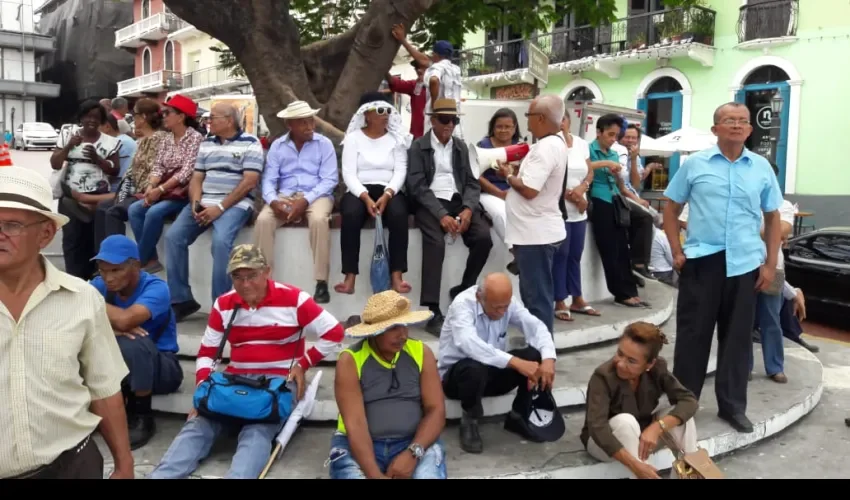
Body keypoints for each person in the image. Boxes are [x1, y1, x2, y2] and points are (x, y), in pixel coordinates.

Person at [149, 244, 345, 479]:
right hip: (236, 380)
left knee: (258, 429)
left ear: (267, 271)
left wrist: (303, 364)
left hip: (276, 382)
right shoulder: (224, 303)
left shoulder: (294, 299)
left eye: (252, 275)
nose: (245, 284)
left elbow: (334, 332)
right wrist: (202, 389)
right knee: (199, 423)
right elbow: (208, 351)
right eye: (237, 277)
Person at [0, 167, 134, 479]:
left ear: (46, 234)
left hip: (71, 466)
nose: (0, 234)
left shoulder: (82, 299)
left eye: (12, 225)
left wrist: (124, 463)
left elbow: (104, 388)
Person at [662, 102, 783, 433]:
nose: (737, 125)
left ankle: (732, 407)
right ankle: (683, 406)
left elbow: (773, 217)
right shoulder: (694, 165)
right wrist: (676, 249)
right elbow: (671, 210)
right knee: (692, 337)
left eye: (743, 121)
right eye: (729, 120)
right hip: (702, 261)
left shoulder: (761, 168)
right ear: (715, 129)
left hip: (744, 264)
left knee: (738, 339)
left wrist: (770, 264)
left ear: (749, 130)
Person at [330, 290, 447, 479]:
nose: (402, 334)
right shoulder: (350, 360)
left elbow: (436, 411)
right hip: (359, 444)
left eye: (404, 325)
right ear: (374, 332)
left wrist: (412, 453)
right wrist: (375, 475)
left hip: (414, 442)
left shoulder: (420, 352)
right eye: (393, 328)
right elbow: (356, 424)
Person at [165, 103, 265, 322]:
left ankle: (222, 304)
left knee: (220, 243)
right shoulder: (207, 143)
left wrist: (219, 208)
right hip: (205, 201)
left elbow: (250, 182)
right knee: (174, 238)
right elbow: (197, 178)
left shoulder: (251, 143)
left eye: (212, 118)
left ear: (229, 120)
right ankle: (181, 299)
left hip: (235, 204)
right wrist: (196, 202)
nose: (208, 122)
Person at [438, 273, 556, 453]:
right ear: (479, 297)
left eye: (505, 307)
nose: (502, 312)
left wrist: (548, 359)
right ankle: (469, 420)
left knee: (534, 354)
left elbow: (535, 327)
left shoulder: (507, 303)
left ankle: (519, 416)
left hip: (491, 374)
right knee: (473, 367)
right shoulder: (462, 305)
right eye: (496, 308)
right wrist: (515, 362)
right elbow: (469, 344)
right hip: (459, 381)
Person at [406, 98, 493, 335]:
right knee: (435, 243)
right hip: (430, 201)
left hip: (458, 200)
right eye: (444, 120)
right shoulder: (418, 146)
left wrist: (467, 209)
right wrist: (441, 214)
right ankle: (432, 309)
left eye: (453, 120)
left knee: (484, 237)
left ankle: (465, 287)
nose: (449, 125)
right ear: (432, 120)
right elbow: (416, 185)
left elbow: (472, 183)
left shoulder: (461, 147)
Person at [89, 235, 183, 450]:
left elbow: (126, 320)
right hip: (121, 367)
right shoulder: (98, 286)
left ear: (136, 266)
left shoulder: (157, 288)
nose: (108, 278)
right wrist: (110, 329)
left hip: (162, 369)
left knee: (134, 341)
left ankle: (141, 413)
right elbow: (70, 309)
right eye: (103, 270)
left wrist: (94, 306)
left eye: (115, 270)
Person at [582, 322, 699, 479]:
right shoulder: (603, 376)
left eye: (631, 361)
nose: (621, 363)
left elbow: (689, 401)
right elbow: (598, 428)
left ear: (649, 364)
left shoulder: (658, 368)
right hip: (604, 444)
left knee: (682, 419)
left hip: (642, 438)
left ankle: (688, 475)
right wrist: (635, 465)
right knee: (626, 421)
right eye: (620, 353)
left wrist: (657, 427)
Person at [255, 100, 338, 304]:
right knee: (263, 221)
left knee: (319, 219)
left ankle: (321, 282)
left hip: (317, 194)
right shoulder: (278, 146)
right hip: (284, 195)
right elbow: (268, 180)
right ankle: (263, 281)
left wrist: (305, 201)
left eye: (311, 121)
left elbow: (330, 179)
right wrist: (274, 202)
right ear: (289, 125)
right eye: (303, 122)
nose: (310, 126)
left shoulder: (324, 144)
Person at [498, 94, 567, 333]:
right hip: (536, 233)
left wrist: (507, 175)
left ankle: (542, 355)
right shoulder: (554, 144)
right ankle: (540, 351)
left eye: (528, 115)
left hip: (535, 235)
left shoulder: (545, 148)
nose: (525, 120)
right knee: (536, 296)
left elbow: (529, 190)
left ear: (540, 118)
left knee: (536, 299)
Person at [337, 92, 412, 295]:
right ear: (366, 115)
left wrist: (388, 194)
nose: (385, 114)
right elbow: (349, 174)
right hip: (359, 189)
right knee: (351, 214)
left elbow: (400, 170)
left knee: (398, 214)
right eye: (380, 110)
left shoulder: (397, 139)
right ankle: (349, 276)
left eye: (388, 110)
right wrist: (365, 197)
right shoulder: (353, 139)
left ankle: (397, 276)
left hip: (389, 188)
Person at [128, 94, 204, 275]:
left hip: (182, 191)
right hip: (164, 188)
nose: (164, 116)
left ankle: (139, 260)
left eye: (168, 112)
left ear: (181, 116)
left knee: (154, 212)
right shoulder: (167, 139)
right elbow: (158, 166)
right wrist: (151, 186)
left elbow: (186, 172)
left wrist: (160, 189)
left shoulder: (195, 138)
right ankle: (151, 258)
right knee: (135, 210)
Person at [50, 99, 121, 279]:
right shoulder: (68, 135)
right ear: (80, 118)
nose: (91, 120)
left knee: (92, 237)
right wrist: (69, 146)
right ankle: (74, 278)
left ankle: (94, 278)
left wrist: (98, 159)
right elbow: (55, 163)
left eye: (96, 117)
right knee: (72, 238)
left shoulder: (110, 142)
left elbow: (115, 169)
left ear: (102, 120)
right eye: (88, 116)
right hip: (70, 196)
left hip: (97, 197)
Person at [588, 114, 649, 308]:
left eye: (616, 135)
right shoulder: (590, 149)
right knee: (609, 248)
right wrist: (606, 164)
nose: (613, 139)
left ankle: (631, 289)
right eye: (610, 134)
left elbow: (621, 183)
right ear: (599, 132)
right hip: (599, 199)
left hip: (615, 198)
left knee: (622, 246)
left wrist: (619, 176)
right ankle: (620, 292)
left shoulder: (614, 153)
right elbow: (584, 167)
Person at [94, 98, 168, 250]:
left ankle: (120, 257)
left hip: (149, 192)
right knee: (102, 207)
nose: (132, 118)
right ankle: (103, 256)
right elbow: (133, 170)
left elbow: (153, 170)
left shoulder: (157, 139)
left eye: (135, 115)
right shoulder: (142, 140)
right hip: (137, 190)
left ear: (144, 117)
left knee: (113, 211)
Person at [750, 169, 796, 384]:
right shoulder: (745, 201)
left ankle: (775, 367)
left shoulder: (783, 205)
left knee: (772, 320)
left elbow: (782, 229)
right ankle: (744, 366)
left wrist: (765, 229)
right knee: (742, 320)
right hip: (744, 267)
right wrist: (772, 231)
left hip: (774, 268)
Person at [553, 112, 600, 321]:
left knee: (575, 255)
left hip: (579, 209)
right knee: (560, 255)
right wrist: (573, 196)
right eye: (557, 118)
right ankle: (560, 299)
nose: (560, 122)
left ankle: (578, 297)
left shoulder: (581, 144)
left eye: (563, 118)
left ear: (569, 121)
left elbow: (589, 172)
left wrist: (582, 189)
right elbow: (550, 178)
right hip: (559, 208)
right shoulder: (549, 145)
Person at [476, 108, 521, 273]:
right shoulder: (484, 146)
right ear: (493, 128)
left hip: (513, 190)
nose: (503, 130)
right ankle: (516, 253)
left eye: (508, 127)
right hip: (489, 192)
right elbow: (477, 176)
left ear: (514, 128)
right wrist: (500, 193)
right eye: (499, 126)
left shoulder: (520, 148)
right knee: (501, 212)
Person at [615, 124, 658, 285]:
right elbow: (620, 185)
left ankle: (640, 265)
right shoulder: (616, 152)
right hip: (621, 195)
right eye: (628, 137)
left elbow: (636, 182)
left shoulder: (635, 156)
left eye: (634, 138)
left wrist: (633, 160)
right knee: (647, 217)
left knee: (656, 221)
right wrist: (636, 199)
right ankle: (638, 264)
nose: (631, 140)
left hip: (633, 194)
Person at [423, 40, 464, 138]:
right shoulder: (456, 69)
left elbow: (434, 80)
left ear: (436, 54)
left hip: (438, 118)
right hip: (454, 117)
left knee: (433, 146)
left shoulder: (436, 67)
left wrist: (434, 104)